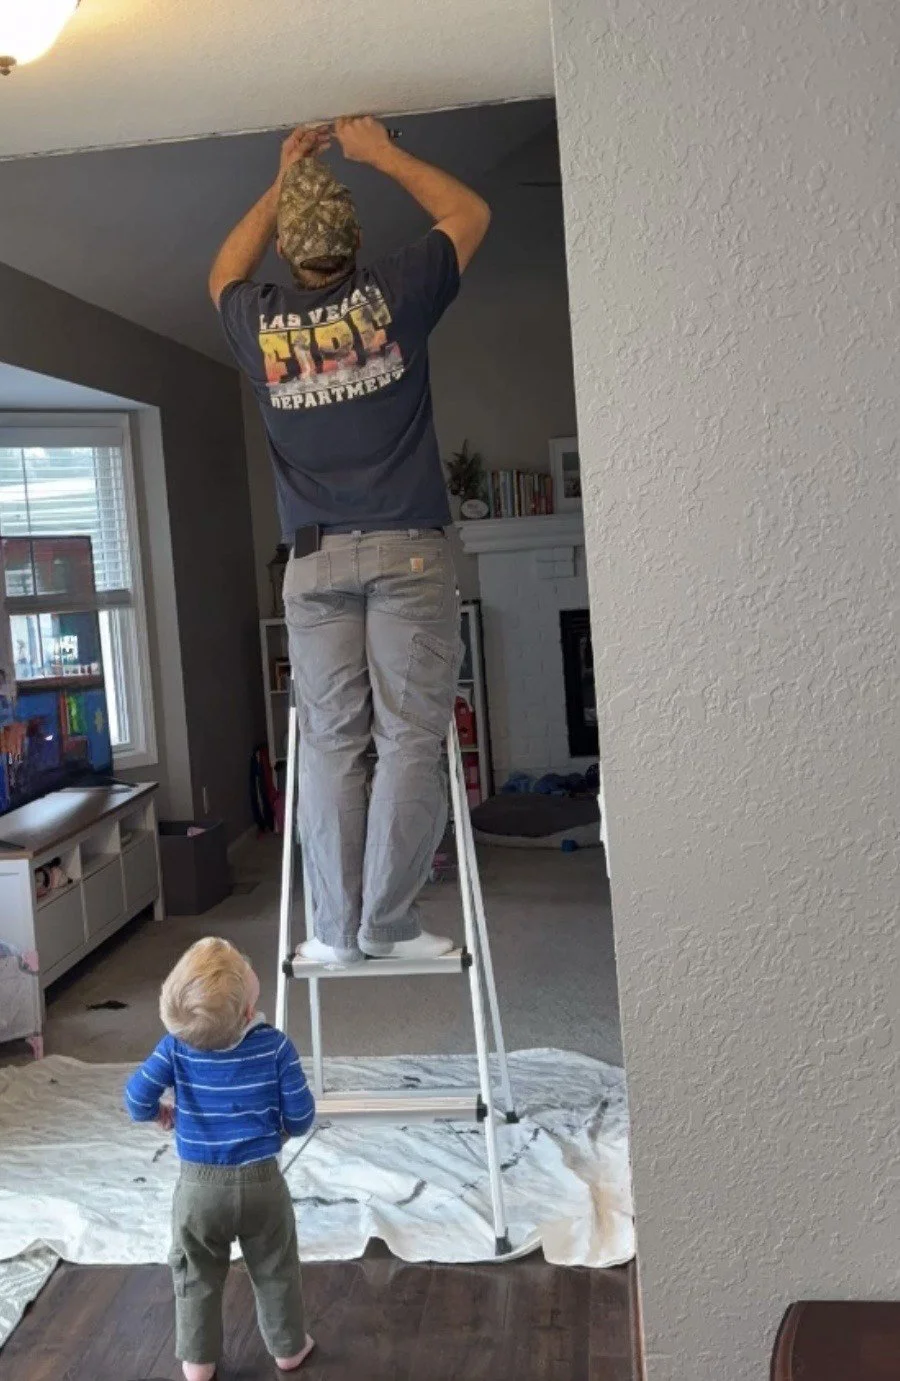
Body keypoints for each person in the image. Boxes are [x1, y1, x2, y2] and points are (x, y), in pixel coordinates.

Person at [209, 116, 491, 965]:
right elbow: (469, 214)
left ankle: (333, 931)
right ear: (356, 242)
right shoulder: (394, 293)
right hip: (407, 550)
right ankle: (388, 922)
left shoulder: (258, 320)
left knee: (333, 742)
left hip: (316, 560)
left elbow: (222, 270)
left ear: (292, 255)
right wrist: (381, 153)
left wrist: (281, 179)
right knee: (409, 737)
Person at [124, 938, 316, 1381]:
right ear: (249, 1013)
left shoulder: (174, 1047)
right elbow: (302, 1117)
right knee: (276, 1268)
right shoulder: (275, 1047)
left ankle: (197, 1361)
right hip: (263, 1184)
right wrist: (279, 1131)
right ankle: (288, 1348)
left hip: (198, 1191)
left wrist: (160, 1114)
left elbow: (136, 1101)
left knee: (195, 1273)